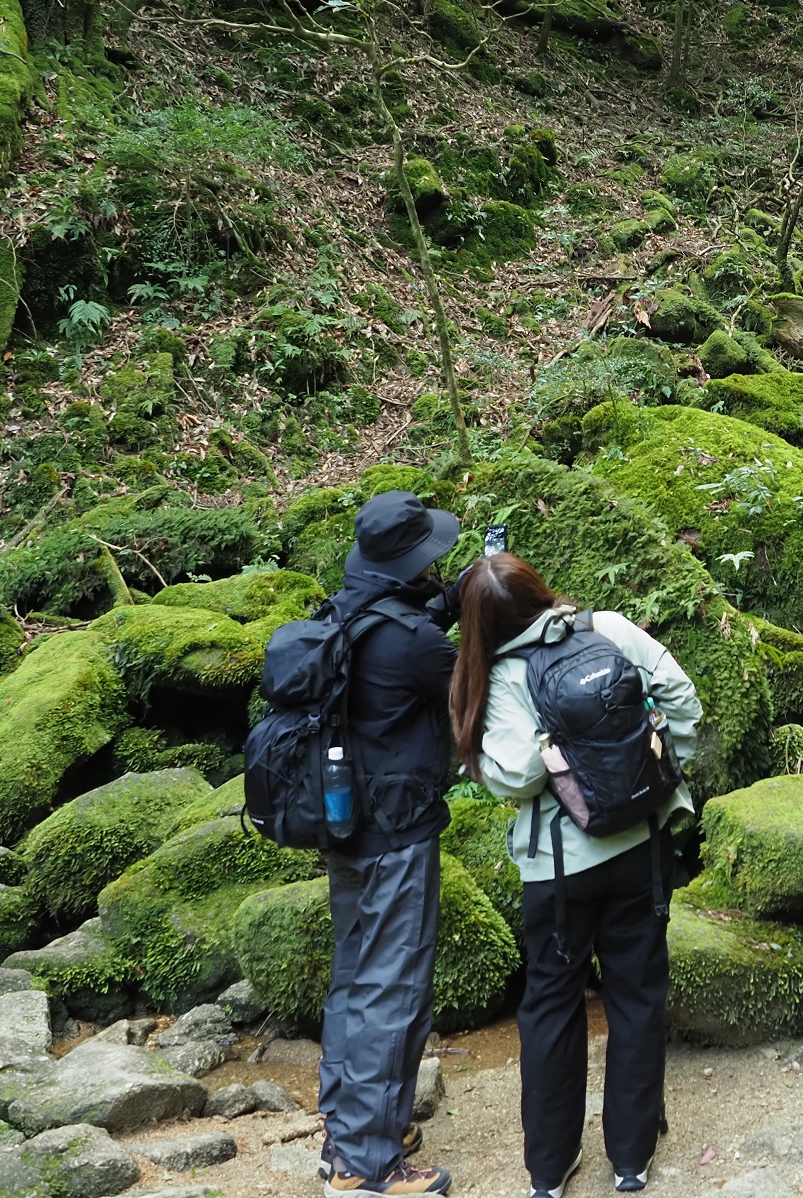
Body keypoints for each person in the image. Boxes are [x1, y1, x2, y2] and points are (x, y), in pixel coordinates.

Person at [447, 553, 701, 1198]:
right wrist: (656, 775)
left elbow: (510, 777)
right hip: (640, 850)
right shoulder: (609, 628)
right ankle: (632, 1160)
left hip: (558, 870)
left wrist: (554, 746)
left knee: (552, 1007)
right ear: (540, 586)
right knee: (638, 997)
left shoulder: (502, 675)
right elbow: (680, 697)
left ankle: (550, 1169)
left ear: (477, 623)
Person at [318, 491, 464, 1198]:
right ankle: (368, 1166)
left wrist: (448, 604)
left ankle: (345, 1135)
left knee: (355, 976)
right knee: (394, 988)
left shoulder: (347, 611)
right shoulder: (415, 643)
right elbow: (467, 689)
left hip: (345, 826)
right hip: (397, 836)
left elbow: (405, 632)